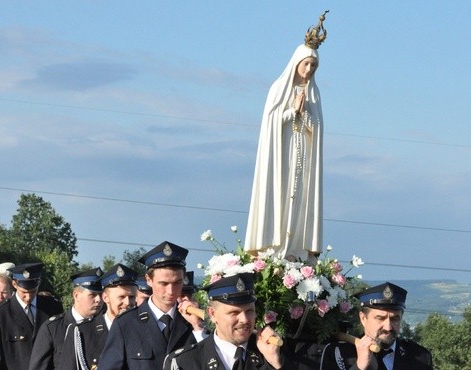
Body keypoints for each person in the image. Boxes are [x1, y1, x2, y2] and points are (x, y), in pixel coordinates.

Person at [244, 12, 329, 262]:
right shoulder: (278, 89)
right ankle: (274, 249)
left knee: (299, 200)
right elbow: (270, 123)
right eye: (306, 64)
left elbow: (318, 126)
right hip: (281, 156)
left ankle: (295, 251)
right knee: (279, 198)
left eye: (314, 66)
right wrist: (292, 112)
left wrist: (305, 115)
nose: (309, 69)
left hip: (303, 156)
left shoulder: (314, 93)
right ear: (296, 64)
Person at [98, 241, 201, 370]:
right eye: (163, 283)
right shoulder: (126, 324)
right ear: (148, 280)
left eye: (177, 283)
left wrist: (198, 327)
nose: (171, 291)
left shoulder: (194, 322)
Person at [163, 273, 291, 370]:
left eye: (249, 311)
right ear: (212, 314)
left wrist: (275, 363)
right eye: (234, 313)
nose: (244, 320)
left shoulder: (275, 353)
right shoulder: (184, 362)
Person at [320, 282, 433, 370]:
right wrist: (359, 366)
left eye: (395, 319)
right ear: (363, 318)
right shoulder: (339, 354)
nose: (388, 327)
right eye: (380, 318)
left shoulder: (419, 356)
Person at [0, 263, 64, 370]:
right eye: (24, 292)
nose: (28, 296)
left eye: (33, 291)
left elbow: (61, 352)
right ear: (14, 284)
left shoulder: (53, 308)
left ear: (39, 284)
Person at [60, 263, 138, 369]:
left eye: (132, 297)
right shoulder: (82, 332)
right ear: (105, 298)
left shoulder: (143, 330)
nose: (127, 302)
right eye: (121, 297)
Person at [27, 267, 103, 370]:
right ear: (76, 295)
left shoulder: (105, 326)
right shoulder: (53, 328)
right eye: (92, 295)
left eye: (100, 295)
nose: (98, 300)